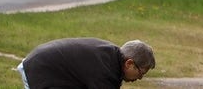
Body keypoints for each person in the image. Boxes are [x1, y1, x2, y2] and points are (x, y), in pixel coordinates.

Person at [17, 37, 154, 88]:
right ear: (129, 63)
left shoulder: (110, 57)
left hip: (39, 61)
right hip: (41, 69)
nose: (139, 78)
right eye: (141, 73)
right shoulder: (106, 71)